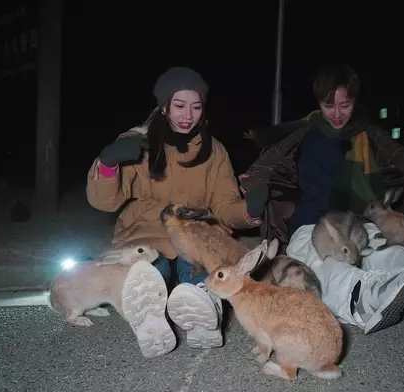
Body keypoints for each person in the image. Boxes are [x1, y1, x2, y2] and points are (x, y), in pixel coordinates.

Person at [239, 63, 404, 334]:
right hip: (312, 224)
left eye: (344, 105)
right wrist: (253, 180)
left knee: (389, 251)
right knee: (328, 263)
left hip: (357, 222)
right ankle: (363, 297)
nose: (336, 114)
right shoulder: (307, 130)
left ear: (354, 101)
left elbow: (401, 155)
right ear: (319, 103)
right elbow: (272, 157)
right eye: (328, 105)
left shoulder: (363, 134)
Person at [86, 66, 268, 357]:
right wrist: (108, 163)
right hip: (147, 229)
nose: (188, 115)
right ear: (163, 106)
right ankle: (150, 316)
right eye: (180, 106)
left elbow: (223, 207)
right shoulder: (137, 142)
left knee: (198, 265)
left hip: (196, 232)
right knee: (151, 268)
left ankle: (202, 309)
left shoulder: (215, 150)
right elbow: (104, 201)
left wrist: (250, 210)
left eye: (196, 107)